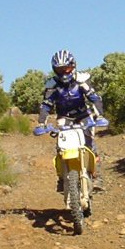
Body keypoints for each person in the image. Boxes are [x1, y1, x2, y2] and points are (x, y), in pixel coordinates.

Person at [37, 50, 105, 191]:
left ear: (73, 66)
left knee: (90, 144)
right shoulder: (52, 85)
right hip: (64, 118)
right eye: (59, 69)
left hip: (83, 116)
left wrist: (99, 116)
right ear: (54, 70)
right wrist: (42, 122)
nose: (64, 73)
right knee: (61, 148)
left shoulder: (82, 80)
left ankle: (97, 177)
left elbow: (95, 98)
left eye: (66, 68)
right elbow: (46, 104)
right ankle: (62, 178)